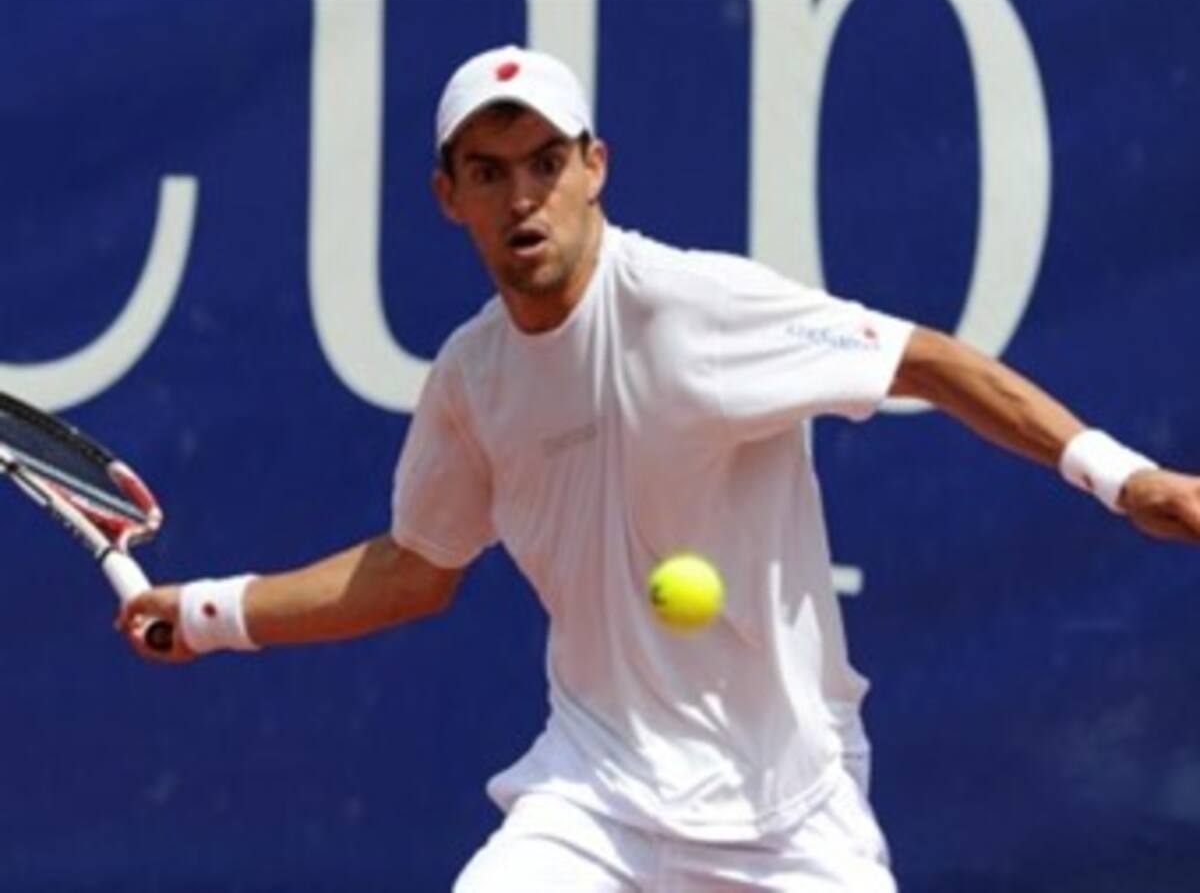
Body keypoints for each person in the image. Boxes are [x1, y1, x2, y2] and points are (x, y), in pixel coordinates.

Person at [119, 44, 1200, 891]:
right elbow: (416, 568)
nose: (522, 199)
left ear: (596, 167)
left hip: (787, 804)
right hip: (594, 797)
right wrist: (211, 614)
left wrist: (1124, 478)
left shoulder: (698, 306)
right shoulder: (470, 378)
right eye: (489, 174)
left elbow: (928, 361)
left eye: (548, 163)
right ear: (449, 195)